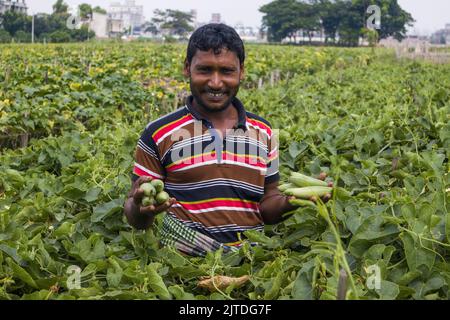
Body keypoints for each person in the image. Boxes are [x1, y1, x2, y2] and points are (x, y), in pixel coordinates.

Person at [124, 23, 296, 257]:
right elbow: (137, 219)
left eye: (226, 71)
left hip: (251, 265)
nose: (216, 83)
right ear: (187, 68)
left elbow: (268, 206)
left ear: (241, 72)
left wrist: (291, 202)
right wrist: (139, 207)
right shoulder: (157, 133)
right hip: (181, 270)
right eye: (205, 70)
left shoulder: (264, 132)